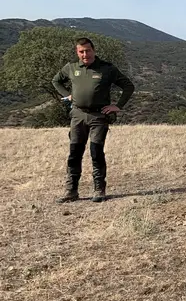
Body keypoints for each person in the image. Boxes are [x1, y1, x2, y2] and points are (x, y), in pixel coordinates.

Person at [52, 37, 135, 203]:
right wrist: (67, 95)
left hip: (99, 116)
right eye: (81, 51)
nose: (85, 54)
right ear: (77, 52)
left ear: (94, 51)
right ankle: (71, 191)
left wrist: (117, 105)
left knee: (96, 152)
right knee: (74, 153)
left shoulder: (107, 68)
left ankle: (99, 189)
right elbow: (56, 81)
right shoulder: (71, 67)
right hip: (77, 115)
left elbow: (128, 86)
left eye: (87, 51)